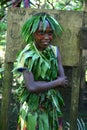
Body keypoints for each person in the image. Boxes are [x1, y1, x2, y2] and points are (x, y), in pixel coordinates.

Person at [14, 12, 68, 130]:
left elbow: (63, 81)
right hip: (33, 110)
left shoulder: (55, 51)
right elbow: (31, 87)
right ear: (33, 33)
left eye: (50, 33)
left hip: (52, 108)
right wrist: (55, 82)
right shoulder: (26, 56)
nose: (47, 37)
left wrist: (41, 84)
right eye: (41, 33)